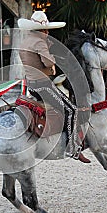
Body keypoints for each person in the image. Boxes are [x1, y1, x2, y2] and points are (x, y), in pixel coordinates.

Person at [17, 10, 90, 163]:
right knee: (71, 110)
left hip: (31, 85)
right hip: (43, 85)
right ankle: (72, 147)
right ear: (42, 30)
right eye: (47, 29)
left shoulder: (25, 41)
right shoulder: (39, 42)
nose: (48, 32)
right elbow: (48, 63)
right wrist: (52, 56)